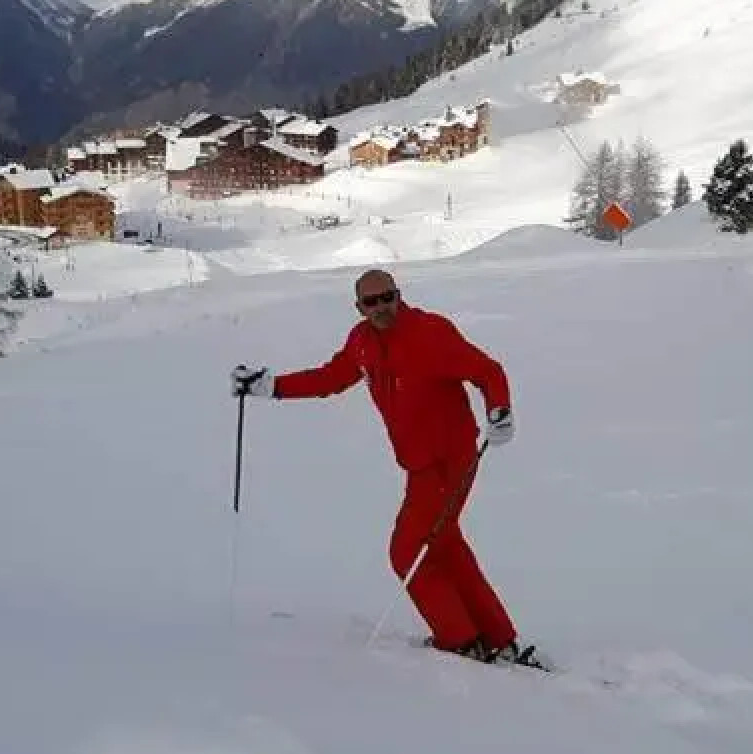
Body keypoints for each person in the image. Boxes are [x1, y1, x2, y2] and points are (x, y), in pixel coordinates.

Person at [230, 269, 537, 667]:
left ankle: (459, 639)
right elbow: (331, 378)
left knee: (408, 551)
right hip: (417, 463)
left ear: (398, 295)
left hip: (450, 459)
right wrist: (271, 386)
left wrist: (499, 410)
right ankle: (495, 637)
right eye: (371, 302)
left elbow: (487, 370)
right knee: (444, 546)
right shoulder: (362, 343)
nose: (381, 308)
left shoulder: (430, 333)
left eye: (387, 297)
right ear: (359, 308)